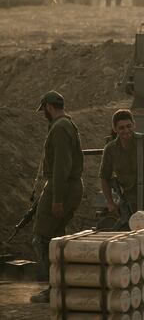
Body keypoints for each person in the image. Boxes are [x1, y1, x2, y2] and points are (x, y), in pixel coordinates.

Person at [29, 91, 84, 303]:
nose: (44, 113)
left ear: (49, 107)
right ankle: (61, 285)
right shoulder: (66, 125)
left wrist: (57, 198)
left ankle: (53, 288)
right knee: (56, 237)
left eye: (44, 109)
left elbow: (62, 166)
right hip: (68, 186)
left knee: (42, 238)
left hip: (61, 187)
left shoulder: (60, 128)